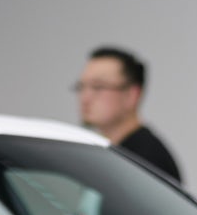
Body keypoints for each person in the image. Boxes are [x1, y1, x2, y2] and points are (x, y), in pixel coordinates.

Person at [74, 46, 182, 183]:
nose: (85, 98)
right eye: (81, 86)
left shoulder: (147, 161)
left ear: (132, 95)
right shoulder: (109, 154)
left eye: (98, 87)